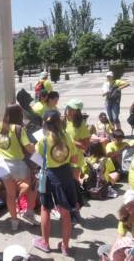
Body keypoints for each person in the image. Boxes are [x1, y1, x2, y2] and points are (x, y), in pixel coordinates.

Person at [34, 110, 78, 256]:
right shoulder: (67, 136)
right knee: (66, 213)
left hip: (49, 176)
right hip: (65, 174)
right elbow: (74, 159)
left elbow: (38, 158)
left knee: (45, 208)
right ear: (59, 123)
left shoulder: (43, 140)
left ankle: (45, 243)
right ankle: (65, 246)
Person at [0, 104, 37, 230]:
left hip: (4, 165)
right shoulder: (18, 128)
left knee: (10, 194)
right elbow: (29, 148)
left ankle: (14, 221)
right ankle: (29, 212)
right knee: (32, 187)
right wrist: (36, 145)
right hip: (19, 164)